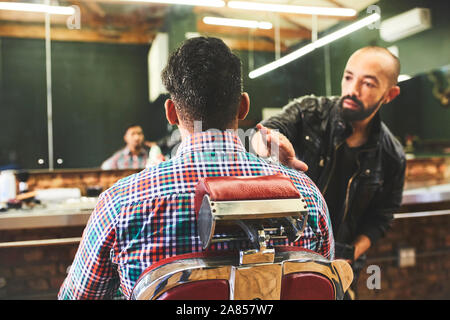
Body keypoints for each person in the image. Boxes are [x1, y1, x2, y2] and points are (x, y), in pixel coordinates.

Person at [58, 36, 334, 300]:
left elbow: (77, 296)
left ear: (171, 113)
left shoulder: (122, 203)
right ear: (243, 107)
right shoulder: (305, 194)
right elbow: (322, 282)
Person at [252, 46, 406, 298]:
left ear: (390, 94)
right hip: (286, 261)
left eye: (367, 84)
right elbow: (268, 131)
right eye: (348, 77)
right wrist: (269, 144)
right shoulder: (309, 113)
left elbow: (381, 217)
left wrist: (349, 254)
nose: (352, 90)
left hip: (339, 272)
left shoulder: (392, 156)